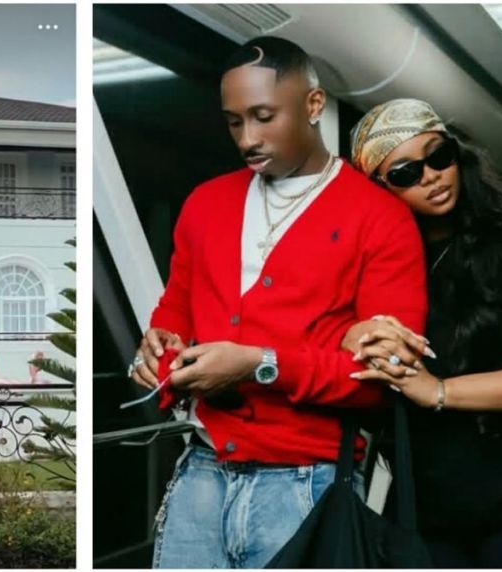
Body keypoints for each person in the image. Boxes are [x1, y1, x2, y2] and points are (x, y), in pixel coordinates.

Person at [128, 37, 431, 569]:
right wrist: (157, 351)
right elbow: (174, 310)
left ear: (313, 106)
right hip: (200, 473)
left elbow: (386, 383)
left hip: (305, 484)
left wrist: (261, 365)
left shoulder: (380, 218)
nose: (248, 139)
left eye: (264, 117)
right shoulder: (205, 204)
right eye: (233, 122)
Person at [346, 98, 502, 568]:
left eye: (439, 156)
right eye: (405, 173)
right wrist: (352, 336)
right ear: (379, 190)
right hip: (425, 515)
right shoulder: (374, 276)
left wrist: (439, 390)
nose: (431, 176)